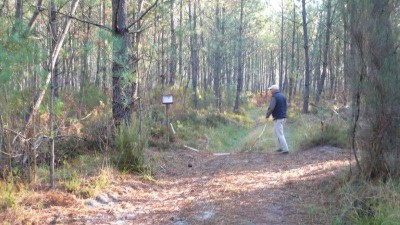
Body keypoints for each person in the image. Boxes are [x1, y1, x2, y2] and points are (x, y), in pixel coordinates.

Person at [265, 84, 289, 154]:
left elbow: (271, 107)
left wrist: (267, 115)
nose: (270, 91)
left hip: (278, 118)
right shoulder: (283, 96)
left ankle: (285, 149)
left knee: (280, 134)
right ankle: (281, 147)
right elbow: (285, 106)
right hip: (283, 117)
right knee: (278, 133)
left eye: (271, 90)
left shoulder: (274, 97)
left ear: (274, 90)